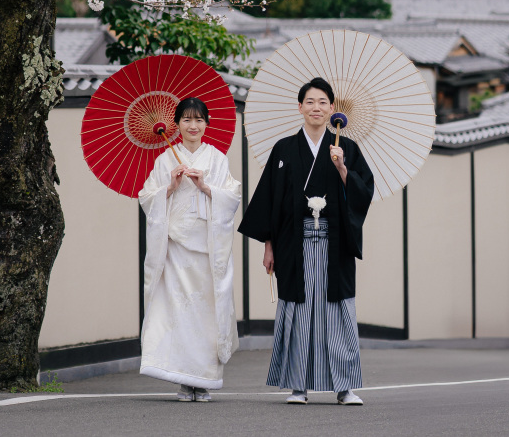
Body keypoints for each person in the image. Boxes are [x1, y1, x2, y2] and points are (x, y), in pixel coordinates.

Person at [238, 77, 374, 406]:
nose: (316, 107)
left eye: (322, 102)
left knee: (336, 311)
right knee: (298, 310)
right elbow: (270, 200)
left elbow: (364, 191)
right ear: (300, 107)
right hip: (293, 243)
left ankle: (345, 387)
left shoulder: (346, 149)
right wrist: (268, 245)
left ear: (332, 109)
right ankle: (298, 386)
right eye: (310, 102)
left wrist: (342, 168)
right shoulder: (284, 149)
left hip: (334, 243)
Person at [139, 96, 241, 402]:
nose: (193, 125)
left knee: (207, 313)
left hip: (207, 249)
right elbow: (147, 197)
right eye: (186, 119)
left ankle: (204, 379)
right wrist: (169, 187)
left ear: (207, 123)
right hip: (176, 250)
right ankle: (184, 380)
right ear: (176, 124)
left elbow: (233, 196)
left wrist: (206, 188)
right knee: (179, 314)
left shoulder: (217, 159)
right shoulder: (164, 161)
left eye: (198, 120)